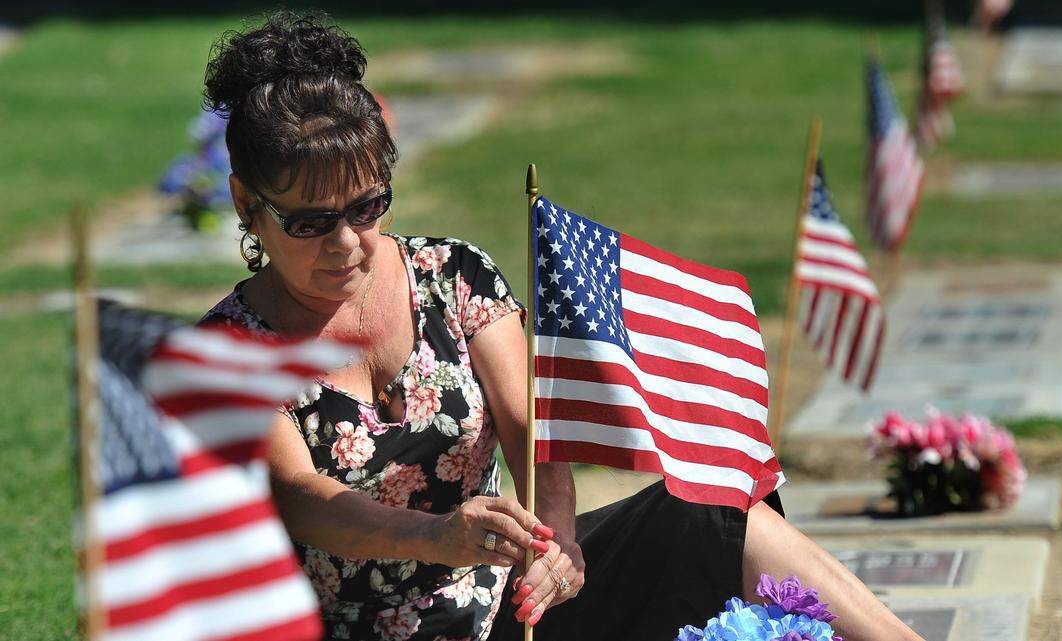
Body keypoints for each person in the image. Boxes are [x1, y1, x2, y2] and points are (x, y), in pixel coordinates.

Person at [198, 12, 925, 641]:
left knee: (713, 511)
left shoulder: (453, 275)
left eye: (367, 206)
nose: (347, 242)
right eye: (311, 222)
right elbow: (300, 496)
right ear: (245, 203)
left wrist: (560, 541)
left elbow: (533, 429)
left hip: (513, 614)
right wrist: (438, 538)